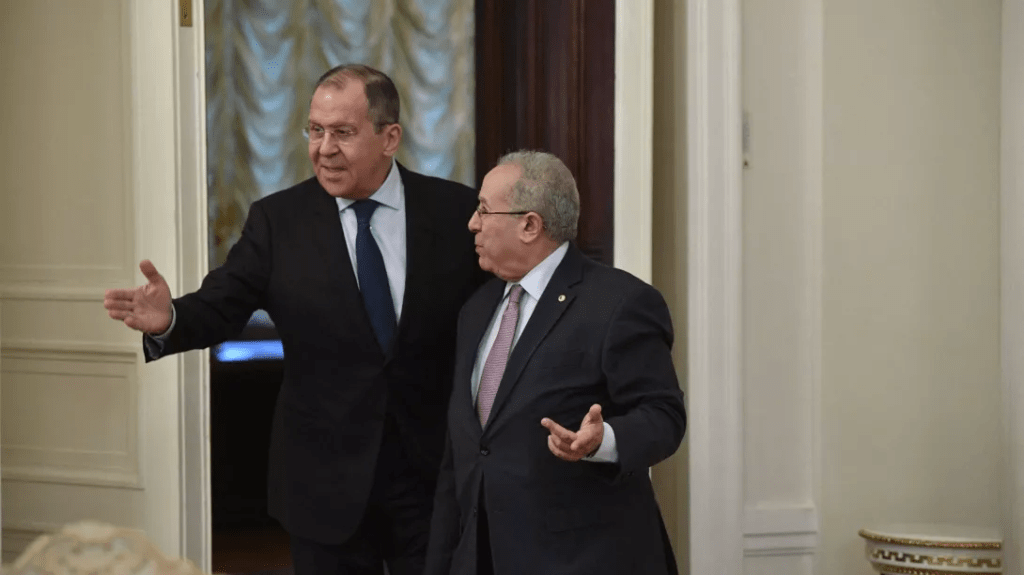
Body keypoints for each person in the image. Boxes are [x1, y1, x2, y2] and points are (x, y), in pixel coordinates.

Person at [103, 64, 485, 575]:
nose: (324, 149)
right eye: (315, 130)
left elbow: (498, 316)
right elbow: (223, 303)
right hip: (324, 480)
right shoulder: (277, 221)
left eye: (342, 132)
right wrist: (171, 317)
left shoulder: (455, 211)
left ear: (389, 137)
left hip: (431, 474)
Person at [424, 150, 686, 575]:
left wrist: (603, 442)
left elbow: (664, 416)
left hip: (581, 559)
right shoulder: (476, 310)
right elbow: (461, 456)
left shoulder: (617, 303)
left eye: (484, 210)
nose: (472, 223)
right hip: (481, 557)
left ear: (530, 225)